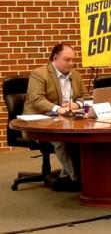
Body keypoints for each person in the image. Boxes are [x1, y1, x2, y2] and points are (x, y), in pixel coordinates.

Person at [23, 43, 89, 191]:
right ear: (55, 58)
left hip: (67, 120)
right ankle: (76, 179)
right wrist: (59, 109)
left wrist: (77, 105)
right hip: (40, 121)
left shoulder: (75, 75)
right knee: (60, 139)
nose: (71, 64)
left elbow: (85, 97)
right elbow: (37, 100)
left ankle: (84, 174)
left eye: (73, 60)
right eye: (67, 60)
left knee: (85, 136)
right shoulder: (39, 74)